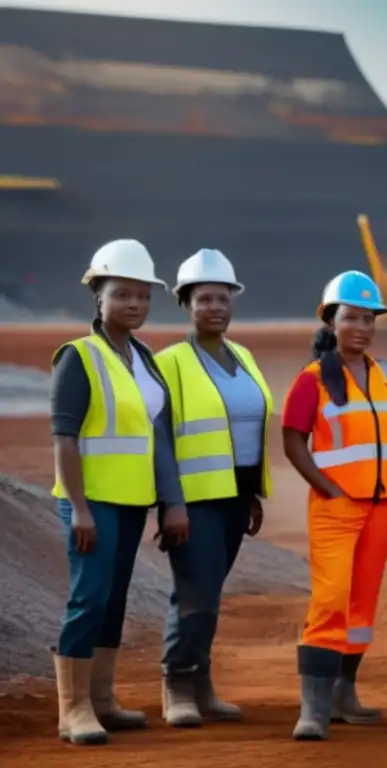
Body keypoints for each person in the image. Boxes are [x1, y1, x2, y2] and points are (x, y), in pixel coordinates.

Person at [49, 239, 187, 746]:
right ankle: (73, 708)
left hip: (131, 502)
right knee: (89, 598)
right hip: (93, 502)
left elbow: (158, 437)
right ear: (98, 297)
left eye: (143, 296)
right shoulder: (78, 357)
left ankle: (102, 699)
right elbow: (64, 436)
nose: (134, 304)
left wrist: (171, 501)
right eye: (122, 294)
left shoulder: (145, 360)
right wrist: (79, 507)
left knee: (112, 600)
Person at [281, 270, 387, 740]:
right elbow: (293, 440)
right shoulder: (312, 379)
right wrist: (328, 488)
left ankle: (343, 694)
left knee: (362, 603)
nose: (362, 327)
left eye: (369, 319)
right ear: (331, 322)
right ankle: (312, 709)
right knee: (330, 601)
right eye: (351, 317)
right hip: (337, 507)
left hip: (382, 507)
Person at [154, 249, 274, 726]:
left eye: (223, 298)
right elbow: (161, 438)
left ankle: (201, 685)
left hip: (235, 496)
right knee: (194, 592)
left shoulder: (242, 356)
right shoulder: (170, 362)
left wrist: (254, 495)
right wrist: (171, 503)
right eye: (205, 299)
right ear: (186, 303)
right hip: (194, 500)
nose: (216, 307)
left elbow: (249, 426)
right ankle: (176, 684)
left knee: (211, 592)